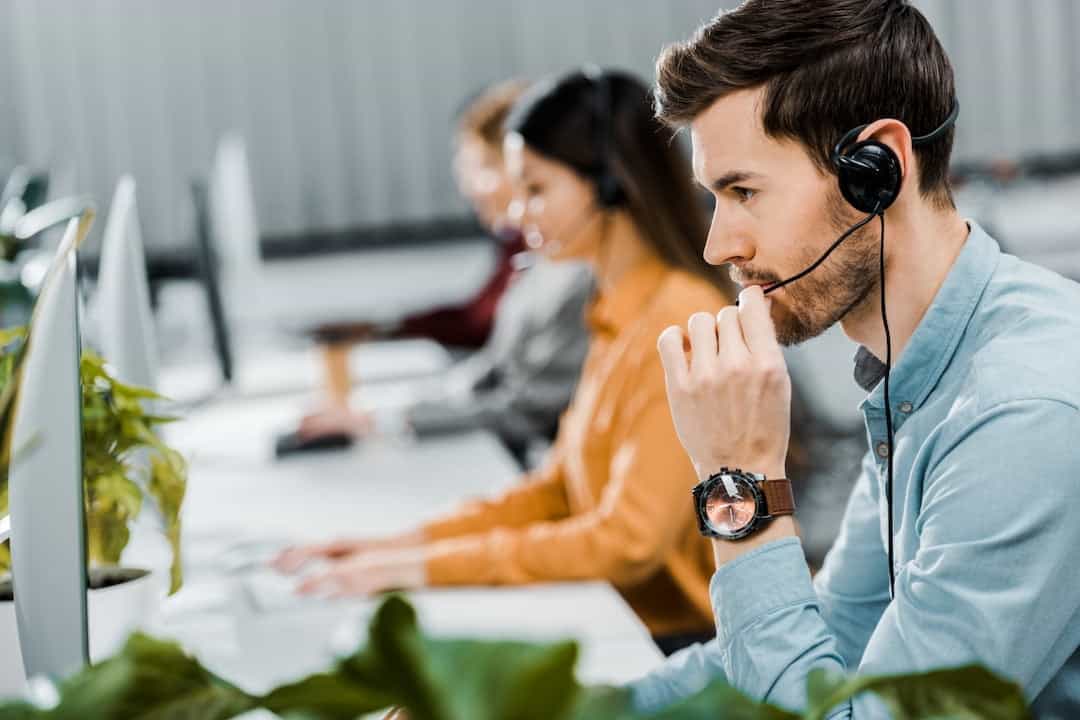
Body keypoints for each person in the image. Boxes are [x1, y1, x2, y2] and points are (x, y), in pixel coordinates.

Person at [629, 0, 1080, 716]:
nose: (719, 247)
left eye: (744, 191)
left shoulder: (1024, 415)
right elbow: (835, 637)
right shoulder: (921, 378)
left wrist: (739, 484)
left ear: (879, 168)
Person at [275, 69, 741, 654]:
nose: (517, 213)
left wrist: (420, 568)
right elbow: (555, 492)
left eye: (537, 189)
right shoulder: (616, 308)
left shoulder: (677, 319)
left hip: (672, 643)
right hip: (611, 615)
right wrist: (399, 548)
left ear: (609, 186)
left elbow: (629, 540)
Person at [285, 80, 594, 464]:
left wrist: (381, 415)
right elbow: (493, 366)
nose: (469, 185)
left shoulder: (579, 274)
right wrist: (383, 411)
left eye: (481, 167)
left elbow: (523, 402)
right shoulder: (542, 262)